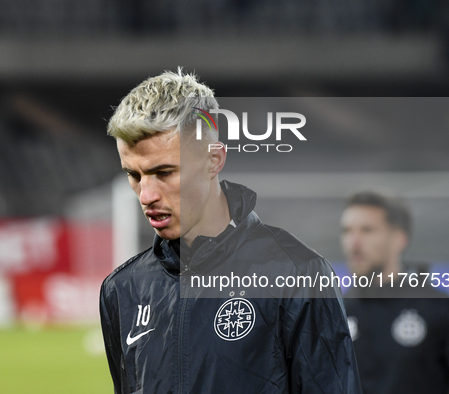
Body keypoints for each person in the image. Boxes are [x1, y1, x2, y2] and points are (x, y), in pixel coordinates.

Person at [99, 68, 362, 393]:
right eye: (134, 175)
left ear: (214, 160)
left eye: (164, 172)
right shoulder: (122, 289)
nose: (146, 195)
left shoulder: (297, 273)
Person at [341, 191, 449, 394]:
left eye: (367, 230)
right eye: (346, 231)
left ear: (399, 239)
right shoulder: (337, 311)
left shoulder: (438, 308)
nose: (353, 243)